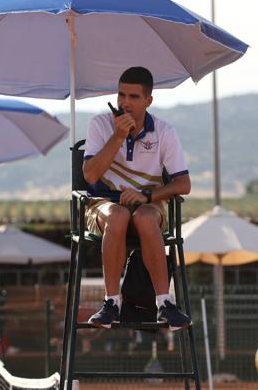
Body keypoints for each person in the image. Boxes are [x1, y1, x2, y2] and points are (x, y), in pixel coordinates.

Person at [82, 66, 192, 330]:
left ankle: (164, 303)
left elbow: (183, 184)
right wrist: (118, 137)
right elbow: (90, 175)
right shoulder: (100, 124)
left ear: (148, 101)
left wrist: (147, 195)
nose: (125, 103)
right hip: (103, 204)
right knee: (118, 215)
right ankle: (111, 303)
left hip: (149, 204)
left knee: (144, 217)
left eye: (133, 97)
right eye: (121, 95)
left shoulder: (164, 131)